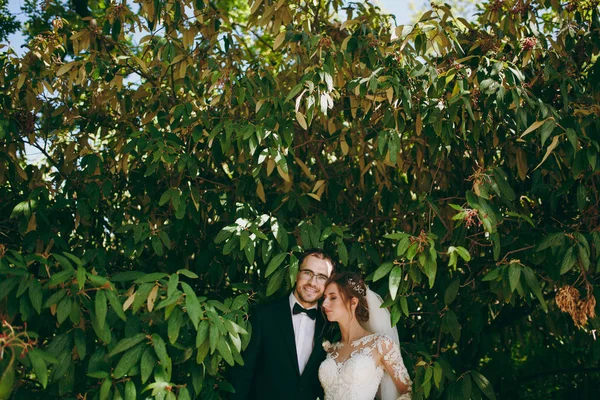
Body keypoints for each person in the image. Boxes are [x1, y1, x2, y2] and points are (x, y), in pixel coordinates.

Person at [229, 249, 335, 400]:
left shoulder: (330, 325)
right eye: (307, 273)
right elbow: (242, 375)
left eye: (322, 277)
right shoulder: (263, 315)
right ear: (296, 273)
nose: (313, 282)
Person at [319, 272, 412, 400]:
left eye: (333, 297)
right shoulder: (331, 349)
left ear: (353, 302)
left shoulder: (380, 344)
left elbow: (407, 392)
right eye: (324, 298)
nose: (324, 304)